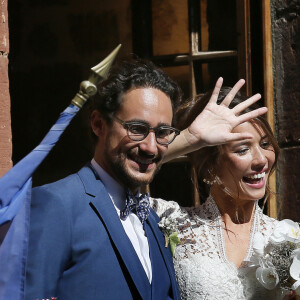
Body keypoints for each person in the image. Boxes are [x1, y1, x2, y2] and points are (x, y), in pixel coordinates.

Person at [25, 59, 265, 299]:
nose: (151, 147)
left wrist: (192, 136)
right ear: (99, 124)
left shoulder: (152, 218)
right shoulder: (56, 204)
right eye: (137, 129)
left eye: (162, 133)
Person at [151, 81, 299, 300]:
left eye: (265, 144)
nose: (261, 160)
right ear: (211, 165)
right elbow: (115, 182)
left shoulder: (290, 239)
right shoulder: (172, 222)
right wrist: (189, 138)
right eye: (243, 149)